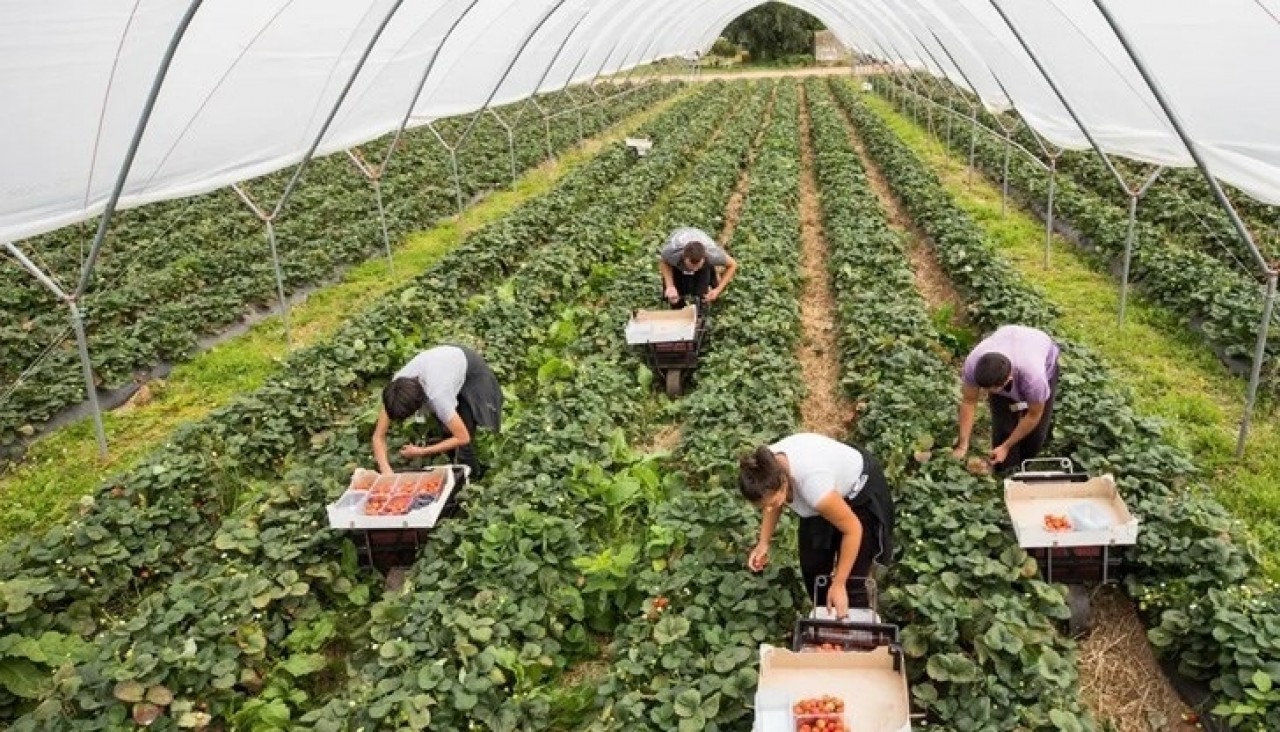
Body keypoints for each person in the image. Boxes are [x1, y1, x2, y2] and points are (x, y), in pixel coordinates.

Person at [739, 433, 895, 618]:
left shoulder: (814, 486)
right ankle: (827, 619)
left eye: (774, 502)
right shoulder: (763, 468)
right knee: (814, 571)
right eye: (764, 506)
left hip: (858, 492)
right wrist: (763, 542)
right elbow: (770, 503)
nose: (770, 509)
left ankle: (853, 623)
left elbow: (853, 529)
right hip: (824, 487)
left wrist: (839, 583)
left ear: (784, 482)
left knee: (852, 582)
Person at [373, 344, 502, 479]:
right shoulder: (397, 390)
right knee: (447, 427)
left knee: (465, 436)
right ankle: (449, 451)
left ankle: (473, 479)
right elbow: (378, 436)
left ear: (420, 403)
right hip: (442, 364)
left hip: (469, 367)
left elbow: (463, 438)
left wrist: (422, 452)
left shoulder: (437, 396)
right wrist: (386, 471)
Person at [952, 324, 1061, 474]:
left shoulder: (1034, 377)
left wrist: (1007, 446)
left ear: (1009, 376)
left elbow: (1033, 414)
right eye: (986, 388)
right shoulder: (974, 364)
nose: (989, 392)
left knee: (1035, 435)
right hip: (1007, 340)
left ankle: (1022, 467)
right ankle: (1005, 474)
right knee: (1003, 428)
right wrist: (962, 445)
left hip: (1039, 350)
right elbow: (969, 402)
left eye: (995, 388)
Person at [658, 227, 738, 308]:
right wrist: (670, 286)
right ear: (684, 257)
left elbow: (732, 265)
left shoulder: (712, 254)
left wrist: (718, 290)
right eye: (691, 267)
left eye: (697, 267)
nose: (694, 270)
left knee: (701, 297)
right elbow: (664, 262)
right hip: (678, 261)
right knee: (674, 298)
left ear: (704, 258)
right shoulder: (672, 252)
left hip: (704, 264)